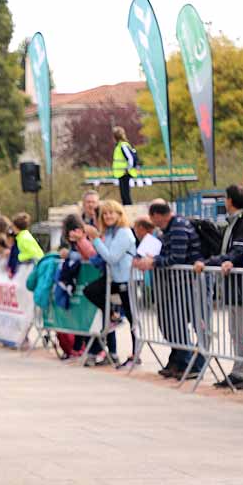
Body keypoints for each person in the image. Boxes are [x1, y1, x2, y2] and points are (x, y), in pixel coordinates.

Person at [192, 184, 243, 390]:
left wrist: (211, 262)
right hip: (234, 286)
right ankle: (238, 370)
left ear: (230, 200)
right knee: (235, 330)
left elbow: (238, 252)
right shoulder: (234, 222)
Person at [134, 200, 204, 378]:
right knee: (171, 325)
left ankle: (190, 363)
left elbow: (177, 258)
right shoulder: (165, 231)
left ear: (157, 216)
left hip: (184, 284)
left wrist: (154, 262)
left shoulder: (179, 227)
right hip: (171, 285)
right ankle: (181, 361)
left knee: (180, 324)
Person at [83, 199, 137, 365]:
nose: (107, 216)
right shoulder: (110, 233)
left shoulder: (124, 233)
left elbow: (112, 257)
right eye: (104, 213)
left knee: (132, 319)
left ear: (119, 214)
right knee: (90, 290)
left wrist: (96, 239)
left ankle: (136, 354)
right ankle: (113, 315)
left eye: (111, 212)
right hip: (114, 279)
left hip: (127, 280)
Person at [111, 127, 139, 206]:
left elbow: (130, 158)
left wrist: (128, 169)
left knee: (125, 194)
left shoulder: (123, 145)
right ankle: (126, 207)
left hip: (124, 173)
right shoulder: (120, 145)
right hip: (121, 173)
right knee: (123, 194)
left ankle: (128, 209)